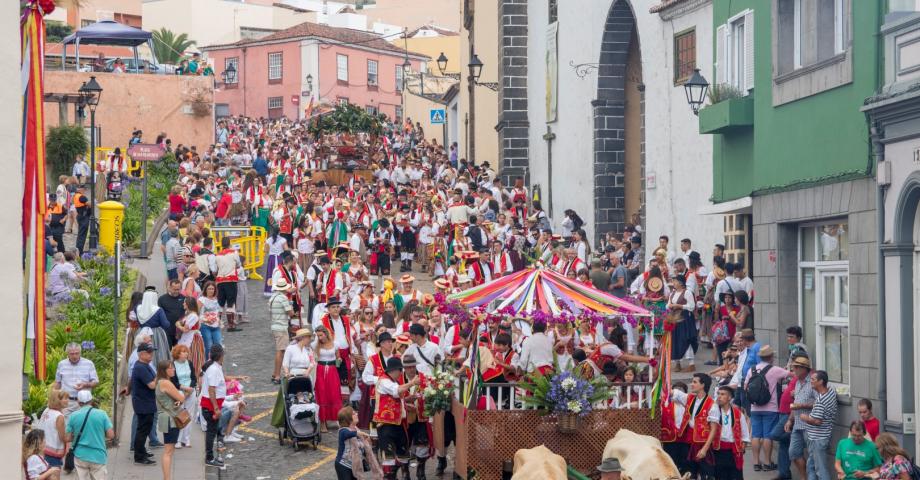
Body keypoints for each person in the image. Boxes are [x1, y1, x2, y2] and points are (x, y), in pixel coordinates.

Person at [743, 345, 788, 473]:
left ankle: (756, 463)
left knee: (756, 435)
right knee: (768, 436)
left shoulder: (752, 369)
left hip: (755, 407)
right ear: (771, 357)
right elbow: (791, 374)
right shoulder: (775, 370)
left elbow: (746, 386)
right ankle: (768, 462)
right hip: (771, 407)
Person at [375, 357, 420, 479]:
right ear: (394, 370)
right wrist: (412, 383)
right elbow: (396, 391)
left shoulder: (393, 381)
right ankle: (390, 476)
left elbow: (397, 398)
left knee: (403, 454)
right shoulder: (384, 381)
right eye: (400, 370)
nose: (401, 373)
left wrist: (406, 400)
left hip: (399, 424)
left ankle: (403, 475)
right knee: (389, 457)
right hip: (386, 425)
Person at [696, 386, 751, 479]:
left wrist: (743, 446)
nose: (719, 396)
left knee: (735, 476)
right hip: (718, 450)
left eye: (722, 394)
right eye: (718, 394)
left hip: (734, 451)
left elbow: (745, 434)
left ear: (729, 398)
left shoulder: (738, 413)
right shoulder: (714, 411)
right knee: (720, 476)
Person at [667, 373, 714, 478]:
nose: (691, 384)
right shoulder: (690, 398)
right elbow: (672, 392)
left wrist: (705, 449)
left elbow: (714, 430)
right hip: (689, 441)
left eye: (694, 382)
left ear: (702, 385)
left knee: (706, 473)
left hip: (703, 443)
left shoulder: (712, 404)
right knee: (690, 472)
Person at [65, 390, 115, 480]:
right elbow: (111, 435)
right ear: (91, 401)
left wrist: (76, 435)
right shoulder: (102, 414)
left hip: (80, 456)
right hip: (98, 455)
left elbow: (67, 438)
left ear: (78, 402)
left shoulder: (73, 416)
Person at [800, 370, 838, 480]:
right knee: (811, 466)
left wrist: (804, 417)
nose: (810, 381)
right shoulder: (831, 391)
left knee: (820, 470)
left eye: (813, 380)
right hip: (820, 437)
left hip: (818, 439)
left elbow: (817, 421)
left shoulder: (821, 400)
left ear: (821, 382)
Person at [785, 355, 817, 480]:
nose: (794, 371)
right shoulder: (798, 383)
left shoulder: (812, 382)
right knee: (793, 453)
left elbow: (819, 403)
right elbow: (795, 405)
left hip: (809, 424)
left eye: (796, 368)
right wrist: (789, 420)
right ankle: (804, 478)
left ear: (804, 369)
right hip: (797, 424)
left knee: (812, 456)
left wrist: (802, 405)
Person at [155, 360, 186, 480]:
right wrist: (180, 398)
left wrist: (177, 400)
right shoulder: (166, 383)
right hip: (170, 419)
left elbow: (169, 399)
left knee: (169, 449)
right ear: (164, 370)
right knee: (168, 451)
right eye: (170, 368)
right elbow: (181, 398)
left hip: (164, 417)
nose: (173, 369)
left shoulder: (159, 382)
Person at [52, 343, 99, 416]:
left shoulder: (89, 364)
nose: (74, 356)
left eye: (77, 353)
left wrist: (85, 384)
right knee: (66, 425)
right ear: (67, 353)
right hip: (67, 402)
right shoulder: (62, 364)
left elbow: (95, 382)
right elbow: (58, 383)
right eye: (72, 354)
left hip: (84, 402)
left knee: (82, 424)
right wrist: (54, 398)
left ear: (80, 352)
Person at [335, 406, 380, 480]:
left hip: (355, 466)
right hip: (343, 465)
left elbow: (364, 449)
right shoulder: (342, 431)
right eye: (353, 413)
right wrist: (360, 433)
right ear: (348, 418)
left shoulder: (356, 429)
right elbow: (348, 434)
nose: (356, 414)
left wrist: (370, 441)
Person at [131, 343, 158, 466]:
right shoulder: (141, 367)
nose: (151, 354)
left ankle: (141, 451)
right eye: (149, 352)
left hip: (146, 402)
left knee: (144, 429)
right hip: (144, 404)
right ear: (141, 354)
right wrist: (160, 375)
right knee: (143, 430)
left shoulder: (144, 365)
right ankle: (139, 456)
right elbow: (152, 385)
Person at [200, 344, 227, 468]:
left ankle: (212, 455)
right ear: (221, 355)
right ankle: (209, 458)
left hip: (210, 406)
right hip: (211, 407)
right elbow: (212, 390)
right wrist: (216, 408)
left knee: (213, 431)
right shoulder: (214, 369)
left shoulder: (214, 366)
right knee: (211, 432)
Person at [313, 325, 341, 433]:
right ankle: (323, 423)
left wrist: (339, 360)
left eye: (321, 335)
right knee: (322, 394)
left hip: (332, 370)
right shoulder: (315, 345)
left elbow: (338, 357)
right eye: (318, 335)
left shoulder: (335, 344)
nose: (319, 337)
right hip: (320, 370)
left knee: (334, 394)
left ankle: (337, 420)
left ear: (326, 333)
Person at [270, 278, 297, 383]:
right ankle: (277, 376)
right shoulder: (283, 298)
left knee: (280, 350)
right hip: (281, 327)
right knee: (280, 351)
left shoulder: (273, 297)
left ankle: (274, 374)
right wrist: (292, 307)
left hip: (275, 325)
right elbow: (291, 313)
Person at [170, 345, 198, 449]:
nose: (186, 353)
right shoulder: (172, 365)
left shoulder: (189, 363)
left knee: (189, 416)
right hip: (179, 392)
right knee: (180, 415)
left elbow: (193, 378)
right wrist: (184, 389)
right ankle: (177, 439)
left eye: (186, 351)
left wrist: (190, 388)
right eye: (183, 352)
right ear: (177, 354)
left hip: (190, 391)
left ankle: (186, 439)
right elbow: (173, 381)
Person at [38, 390, 69, 467]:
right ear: (57, 400)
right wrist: (72, 437)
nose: (67, 401)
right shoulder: (59, 416)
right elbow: (63, 437)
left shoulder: (47, 410)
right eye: (65, 398)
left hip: (42, 448)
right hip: (53, 453)